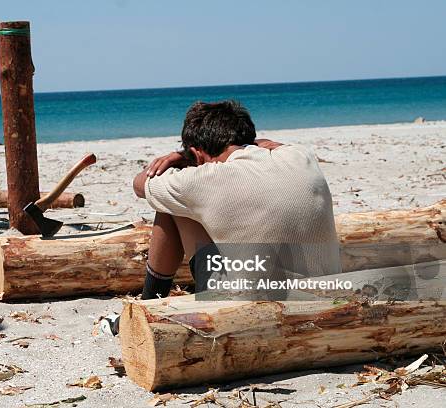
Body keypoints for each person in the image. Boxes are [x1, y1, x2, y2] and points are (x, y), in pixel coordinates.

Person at [133, 100, 340, 300]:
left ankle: (150, 299)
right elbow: (271, 144)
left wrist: (179, 157)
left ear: (197, 154)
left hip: (250, 305)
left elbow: (139, 185)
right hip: (326, 293)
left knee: (170, 204)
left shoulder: (201, 180)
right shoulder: (299, 156)